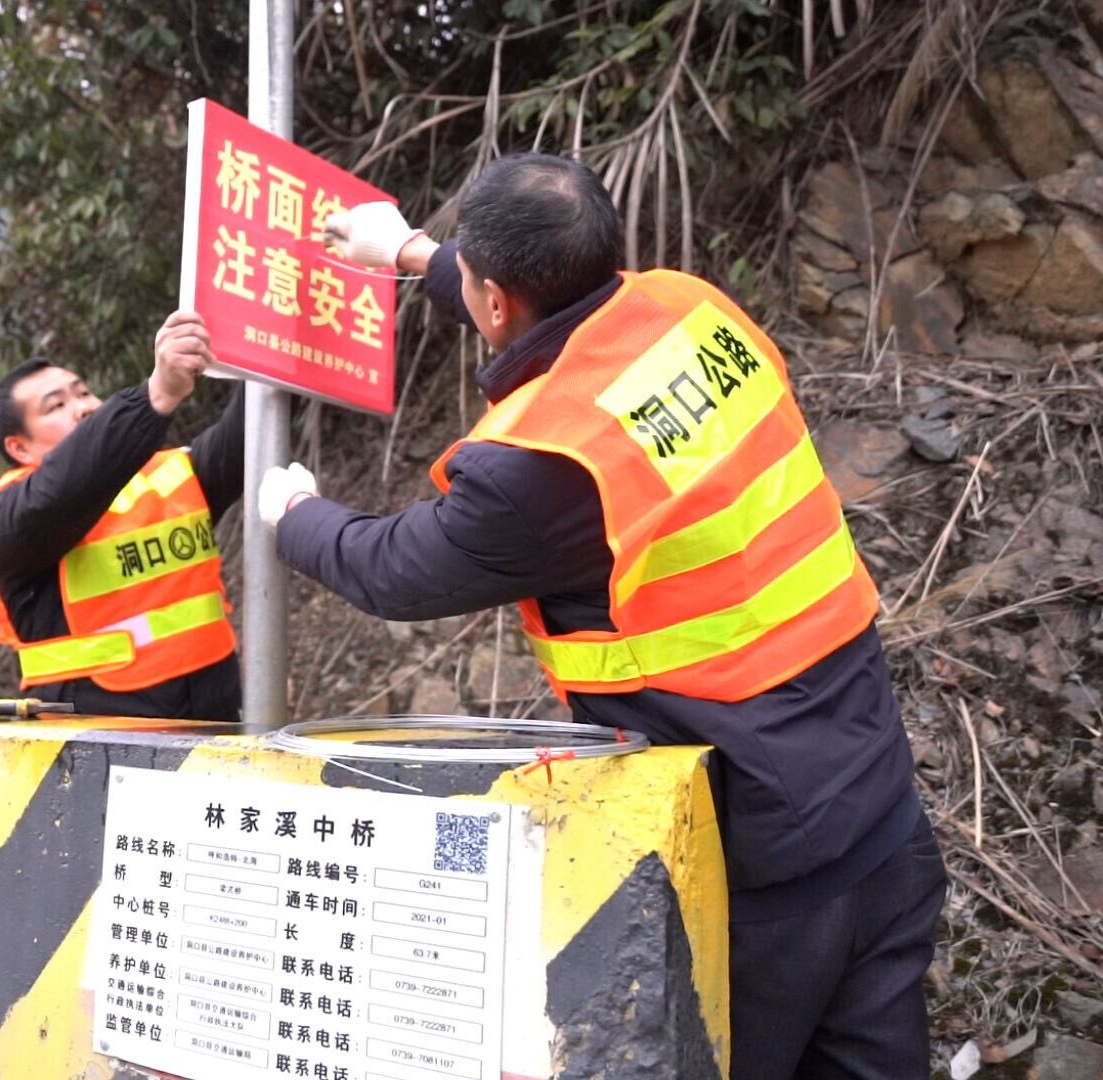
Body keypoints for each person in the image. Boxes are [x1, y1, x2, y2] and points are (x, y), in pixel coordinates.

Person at [259, 154, 946, 1078]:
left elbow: (396, 572)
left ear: (493, 296)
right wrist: (414, 253)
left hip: (766, 868)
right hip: (878, 798)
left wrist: (292, 515)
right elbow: (563, 319)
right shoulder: (685, 307)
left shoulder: (537, 466)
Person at [0, 311, 245, 722]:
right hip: (95, 736)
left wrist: (278, 353)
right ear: (20, 448)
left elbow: (250, 434)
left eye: (82, 393)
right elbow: (68, 485)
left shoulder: (171, 474)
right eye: (55, 406)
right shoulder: (12, 517)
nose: (82, 407)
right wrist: (156, 394)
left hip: (213, 715)